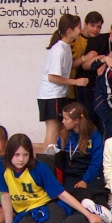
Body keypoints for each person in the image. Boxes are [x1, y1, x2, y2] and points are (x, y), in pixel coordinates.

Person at [0, 134, 104, 223]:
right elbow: (5, 195)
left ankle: (85, 214)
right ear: (9, 153)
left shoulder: (39, 168)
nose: (21, 159)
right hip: (28, 211)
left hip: (49, 204)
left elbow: (61, 194)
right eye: (17, 155)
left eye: (25, 155)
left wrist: (88, 215)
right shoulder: (0, 166)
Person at [38, 14, 86, 148]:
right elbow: (52, 76)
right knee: (52, 131)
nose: (81, 30)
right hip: (51, 95)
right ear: (69, 30)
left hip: (58, 95)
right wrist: (75, 82)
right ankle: (48, 159)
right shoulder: (59, 50)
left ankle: (51, 158)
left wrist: (85, 58)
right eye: (79, 27)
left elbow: (69, 66)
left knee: (58, 130)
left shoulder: (66, 47)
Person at [79, 17, 112, 126]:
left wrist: (106, 61)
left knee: (108, 123)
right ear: (111, 29)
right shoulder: (98, 40)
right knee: (90, 122)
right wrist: (105, 60)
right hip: (89, 86)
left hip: (109, 91)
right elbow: (84, 66)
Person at [56, 103, 107, 206]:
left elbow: (96, 161)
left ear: (76, 121)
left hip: (89, 175)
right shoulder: (63, 135)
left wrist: (85, 180)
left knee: (97, 194)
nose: (63, 121)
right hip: (70, 175)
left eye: (66, 119)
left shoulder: (94, 135)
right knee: (69, 195)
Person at [69, 11, 103, 99]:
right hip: (71, 84)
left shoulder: (100, 40)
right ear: (85, 24)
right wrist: (85, 58)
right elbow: (69, 64)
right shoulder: (75, 39)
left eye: (98, 27)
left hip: (90, 85)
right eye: (92, 25)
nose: (95, 29)